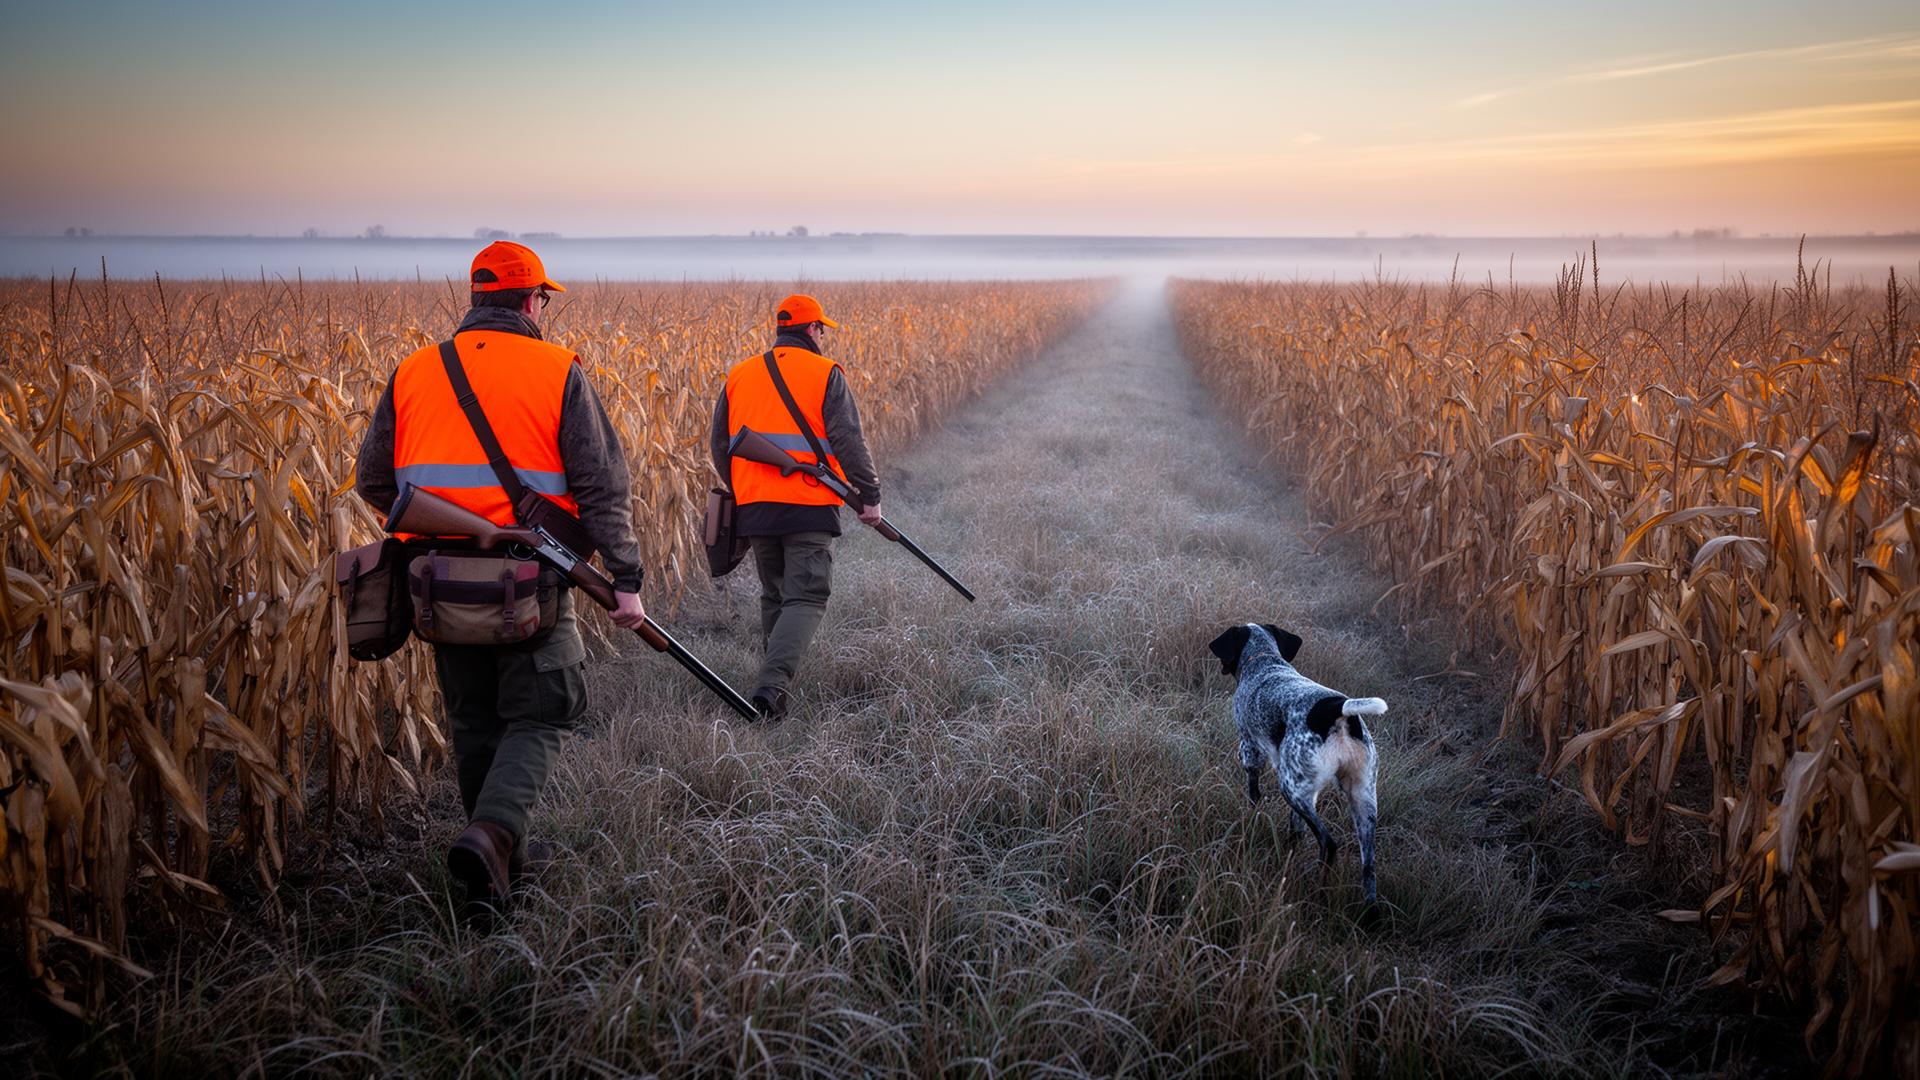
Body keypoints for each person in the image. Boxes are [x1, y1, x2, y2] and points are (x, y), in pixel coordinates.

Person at [355, 240, 647, 909]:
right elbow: (602, 487)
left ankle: (490, 883)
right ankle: (492, 835)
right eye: (543, 296)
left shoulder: (415, 370)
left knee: (475, 721)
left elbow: (374, 479)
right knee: (546, 713)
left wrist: (444, 528)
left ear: (475, 297)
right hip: (528, 577)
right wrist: (626, 577)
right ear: (530, 299)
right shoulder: (556, 368)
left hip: (436, 579)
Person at [710, 294, 882, 721]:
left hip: (756, 507)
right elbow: (847, 440)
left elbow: (719, 445)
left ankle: (774, 701)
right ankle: (770, 688)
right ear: (812, 330)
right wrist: (870, 494)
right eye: (821, 328)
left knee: (774, 593)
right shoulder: (825, 373)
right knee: (806, 595)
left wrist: (744, 488)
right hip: (807, 504)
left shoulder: (740, 374)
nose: (822, 334)